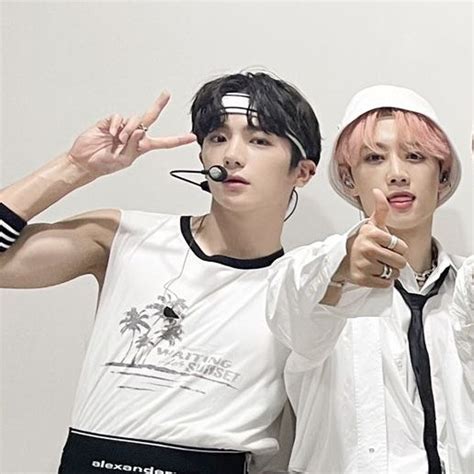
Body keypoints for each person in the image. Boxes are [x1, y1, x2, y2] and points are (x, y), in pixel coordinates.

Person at [266, 85, 471, 473]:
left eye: (415, 156)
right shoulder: (307, 274)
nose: (397, 174)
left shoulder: (466, 290)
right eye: (374, 158)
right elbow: (297, 316)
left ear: (443, 176)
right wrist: (343, 268)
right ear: (348, 179)